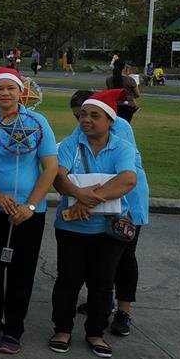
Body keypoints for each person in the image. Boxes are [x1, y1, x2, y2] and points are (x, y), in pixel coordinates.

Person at [0, 67, 58, 355]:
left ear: (21, 92)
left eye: (11, 88)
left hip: (27, 211)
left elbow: (50, 167)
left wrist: (30, 205)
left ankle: (13, 328)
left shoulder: (37, 122)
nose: (5, 93)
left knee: (22, 271)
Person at [49, 91, 138, 358]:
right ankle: (62, 330)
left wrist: (85, 201)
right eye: (83, 115)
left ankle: (95, 333)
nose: (86, 120)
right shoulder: (69, 144)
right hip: (72, 229)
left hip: (107, 231)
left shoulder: (122, 147)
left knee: (102, 284)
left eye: (94, 116)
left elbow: (127, 180)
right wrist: (80, 194)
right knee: (67, 281)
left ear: (110, 120)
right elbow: (59, 177)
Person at [69, 90, 150, 336]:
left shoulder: (120, 127)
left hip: (127, 199)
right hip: (97, 200)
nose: (83, 120)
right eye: (78, 116)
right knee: (101, 257)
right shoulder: (81, 128)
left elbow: (120, 170)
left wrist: (86, 200)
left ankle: (124, 310)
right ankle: (103, 301)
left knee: (124, 255)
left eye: (88, 114)